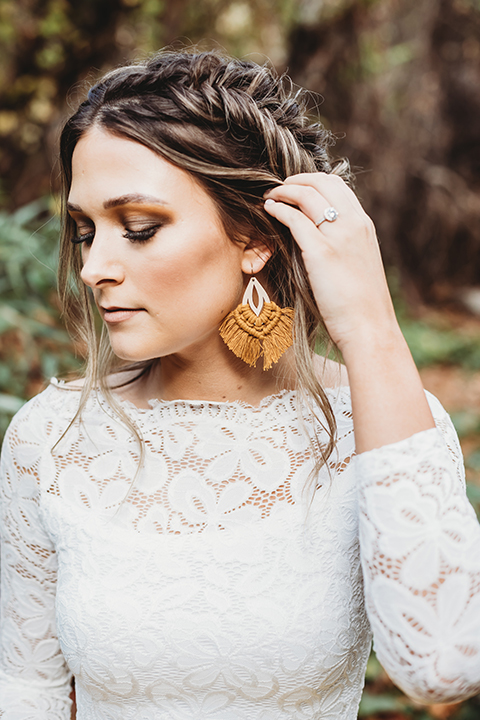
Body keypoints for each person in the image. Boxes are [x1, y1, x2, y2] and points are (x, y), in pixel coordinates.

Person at [1, 48, 480, 720]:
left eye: (138, 229)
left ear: (253, 236)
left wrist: (371, 331)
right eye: (85, 232)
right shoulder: (50, 437)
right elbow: (28, 693)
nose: (94, 267)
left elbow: (444, 664)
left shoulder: (377, 420)